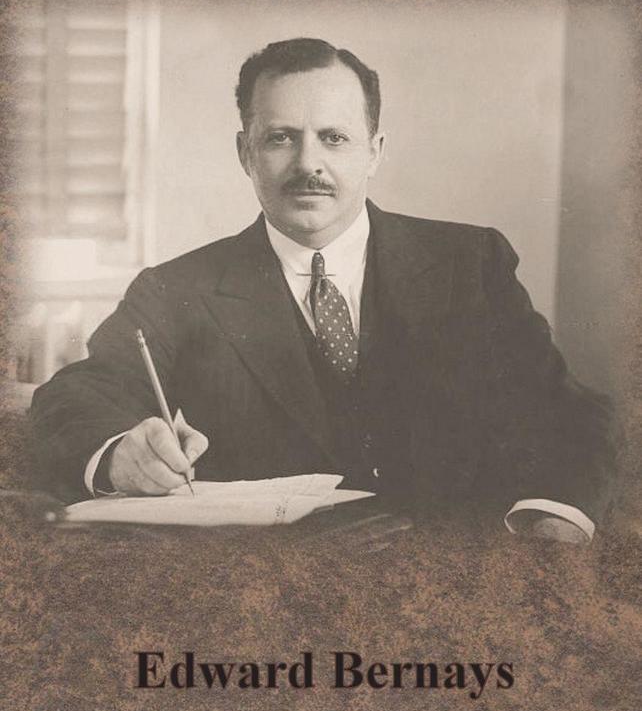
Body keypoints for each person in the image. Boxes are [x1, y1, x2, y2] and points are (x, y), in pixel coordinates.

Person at [30, 38, 618, 542]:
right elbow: (76, 396)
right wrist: (119, 453)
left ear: (374, 152)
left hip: (453, 583)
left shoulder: (471, 264)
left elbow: (564, 411)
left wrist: (552, 519)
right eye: (280, 138)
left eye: (334, 138)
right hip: (266, 597)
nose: (307, 164)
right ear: (245, 153)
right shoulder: (175, 288)